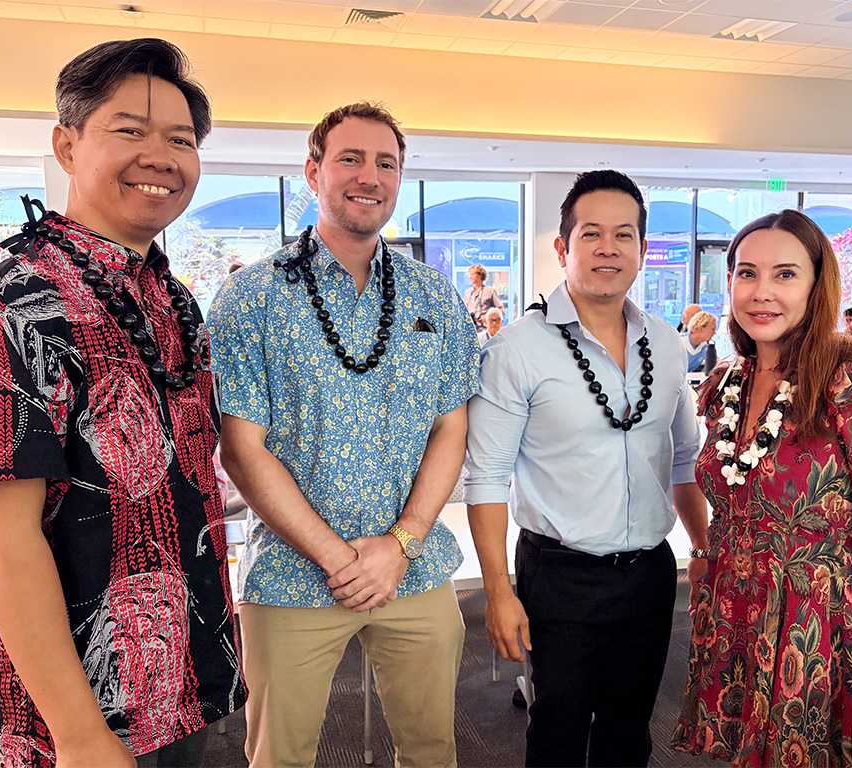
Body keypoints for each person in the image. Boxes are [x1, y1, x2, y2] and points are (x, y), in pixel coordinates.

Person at [0, 39, 245, 768]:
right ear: (67, 143)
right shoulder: (9, 306)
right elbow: (1, 541)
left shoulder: (173, 302)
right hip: (85, 721)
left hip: (190, 685)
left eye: (180, 139)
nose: (162, 156)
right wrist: (79, 735)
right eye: (130, 130)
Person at [208, 101, 480, 768]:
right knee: (280, 756)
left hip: (414, 572)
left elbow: (452, 426)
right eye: (350, 159)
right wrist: (340, 559)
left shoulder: (434, 296)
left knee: (432, 751)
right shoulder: (253, 297)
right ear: (313, 172)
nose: (369, 176)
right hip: (294, 577)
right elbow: (242, 450)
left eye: (386, 162)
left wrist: (400, 543)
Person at [673, 209, 852, 766]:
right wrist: (705, 552)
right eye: (746, 273)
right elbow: (729, 493)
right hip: (736, 608)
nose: (761, 292)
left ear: (818, 286)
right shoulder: (728, 381)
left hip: (816, 628)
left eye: (785, 274)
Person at [464, 169, 710, 767]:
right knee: (557, 731)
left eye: (624, 235)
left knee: (631, 731)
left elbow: (683, 458)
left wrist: (703, 550)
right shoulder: (516, 350)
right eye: (591, 234)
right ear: (562, 247)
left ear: (643, 250)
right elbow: (487, 477)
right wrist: (498, 590)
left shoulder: (669, 344)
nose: (608, 248)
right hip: (560, 577)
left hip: (651, 573)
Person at [463, 263, 504, 328]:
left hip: (486, 330)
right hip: (470, 330)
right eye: (469, 275)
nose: (469, 277)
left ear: (480, 275)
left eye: (472, 274)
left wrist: (488, 317)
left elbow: (501, 311)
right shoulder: (468, 293)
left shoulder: (490, 291)